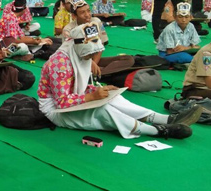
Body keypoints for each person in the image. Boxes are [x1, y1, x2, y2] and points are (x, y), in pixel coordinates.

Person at [38, 23, 199, 140]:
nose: (90, 59)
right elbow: (61, 102)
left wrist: (97, 90)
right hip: (56, 111)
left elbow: (75, 85)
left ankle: (164, 119)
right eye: (89, 55)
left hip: (70, 100)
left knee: (114, 97)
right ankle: (157, 130)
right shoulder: (59, 63)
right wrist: (91, 97)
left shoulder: (78, 54)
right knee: (102, 110)